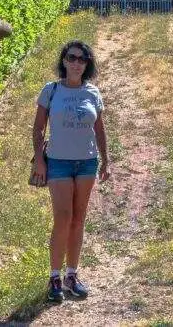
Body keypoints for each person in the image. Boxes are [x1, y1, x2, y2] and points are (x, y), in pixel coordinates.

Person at [31, 40, 111, 302]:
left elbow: (100, 130)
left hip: (87, 162)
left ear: (87, 64)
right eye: (72, 58)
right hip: (58, 162)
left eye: (82, 59)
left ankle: (72, 276)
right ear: (64, 61)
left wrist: (106, 161)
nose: (77, 63)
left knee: (78, 219)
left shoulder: (93, 92)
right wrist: (40, 162)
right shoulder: (51, 90)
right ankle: (54, 277)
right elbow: (38, 129)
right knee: (62, 217)